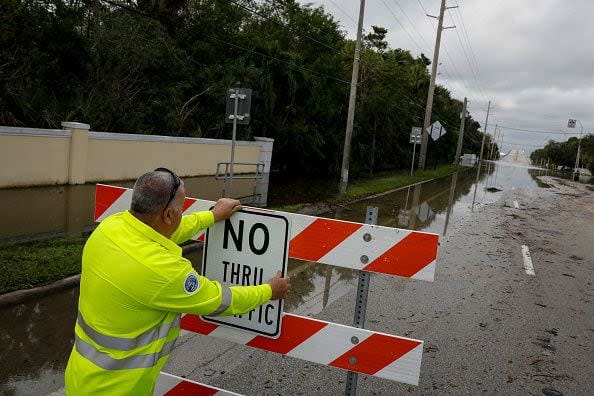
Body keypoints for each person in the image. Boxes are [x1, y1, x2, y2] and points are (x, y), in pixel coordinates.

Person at [64, 168, 290, 395]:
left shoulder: (111, 227)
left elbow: (166, 230)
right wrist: (269, 291)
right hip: (118, 389)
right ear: (169, 215)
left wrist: (211, 216)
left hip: (79, 378)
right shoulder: (162, 271)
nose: (182, 214)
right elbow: (219, 300)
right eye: (181, 208)